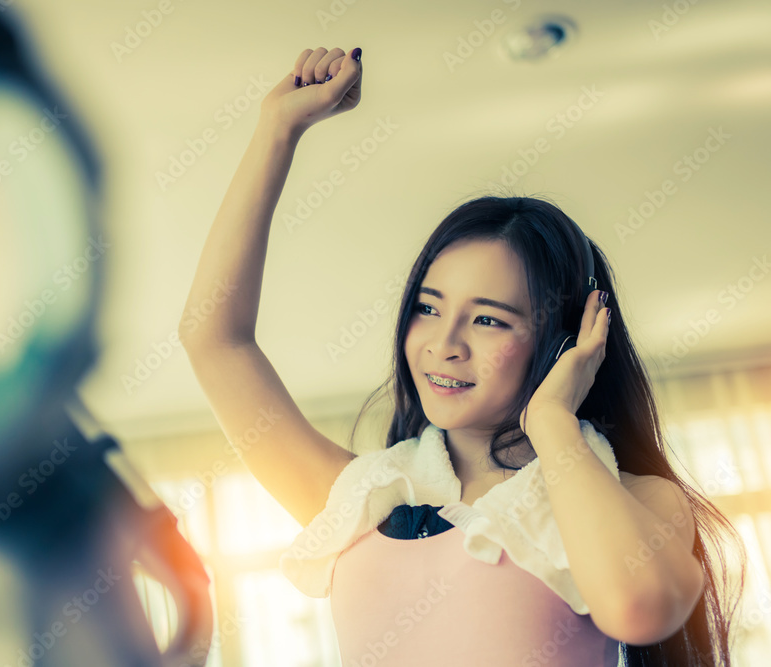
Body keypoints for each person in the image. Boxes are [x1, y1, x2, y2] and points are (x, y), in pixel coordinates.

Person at [178, 46, 745, 666]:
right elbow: (214, 338)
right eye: (428, 308)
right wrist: (277, 129)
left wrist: (553, 423)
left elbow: (640, 608)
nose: (443, 345)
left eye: (486, 319)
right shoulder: (364, 498)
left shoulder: (639, 500)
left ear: (566, 340)